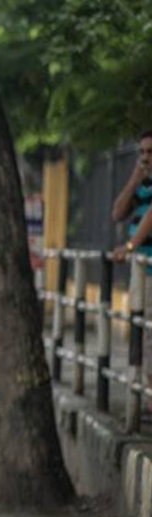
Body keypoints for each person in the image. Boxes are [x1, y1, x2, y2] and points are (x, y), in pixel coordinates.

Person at [110, 130, 152, 401]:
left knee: (149, 338)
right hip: (142, 273)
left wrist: (129, 246)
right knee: (143, 336)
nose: (146, 158)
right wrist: (135, 177)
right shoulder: (144, 185)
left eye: (151, 152)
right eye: (142, 153)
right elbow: (117, 213)